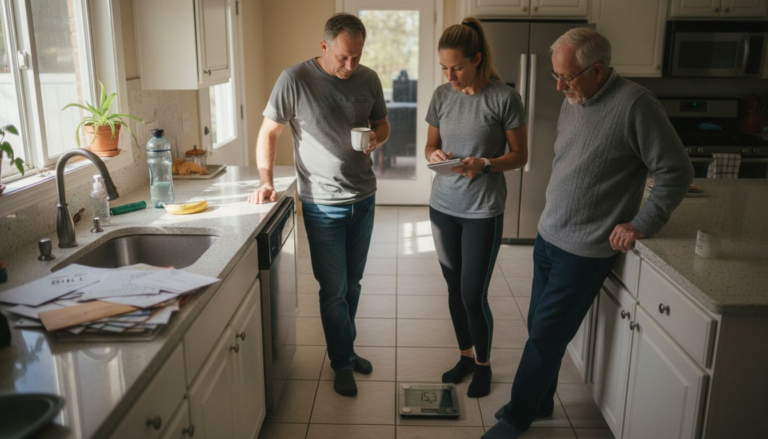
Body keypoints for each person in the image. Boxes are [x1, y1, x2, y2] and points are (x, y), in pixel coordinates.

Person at [484, 28, 694, 438]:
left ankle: (517, 418)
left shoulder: (636, 105)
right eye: (555, 76)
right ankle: (542, 401)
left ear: (597, 70)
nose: (560, 86)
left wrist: (642, 222)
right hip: (549, 235)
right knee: (539, 327)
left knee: (545, 336)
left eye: (567, 77)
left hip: (584, 250)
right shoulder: (574, 99)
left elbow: (677, 170)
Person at [247, 12, 390, 397]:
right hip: (321, 204)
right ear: (324, 45)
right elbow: (269, 131)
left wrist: (377, 137)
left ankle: (345, 349)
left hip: (364, 198)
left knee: (354, 284)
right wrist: (266, 181)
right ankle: (341, 363)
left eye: (357, 57)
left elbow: (383, 123)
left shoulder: (369, 79)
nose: (350, 66)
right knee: (333, 289)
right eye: (343, 57)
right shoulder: (294, 79)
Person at [425, 17, 528, 399]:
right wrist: (434, 154)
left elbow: (519, 156)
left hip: (483, 211)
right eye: (445, 68)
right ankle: (465, 356)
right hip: (443, 207)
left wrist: (484, 164)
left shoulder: (504, 98)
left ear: (478, 59)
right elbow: (429, 146)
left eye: (457, 67)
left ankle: (483, 365)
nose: (450, 75)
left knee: (472, 295)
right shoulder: (442, 96)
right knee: (454, 290)